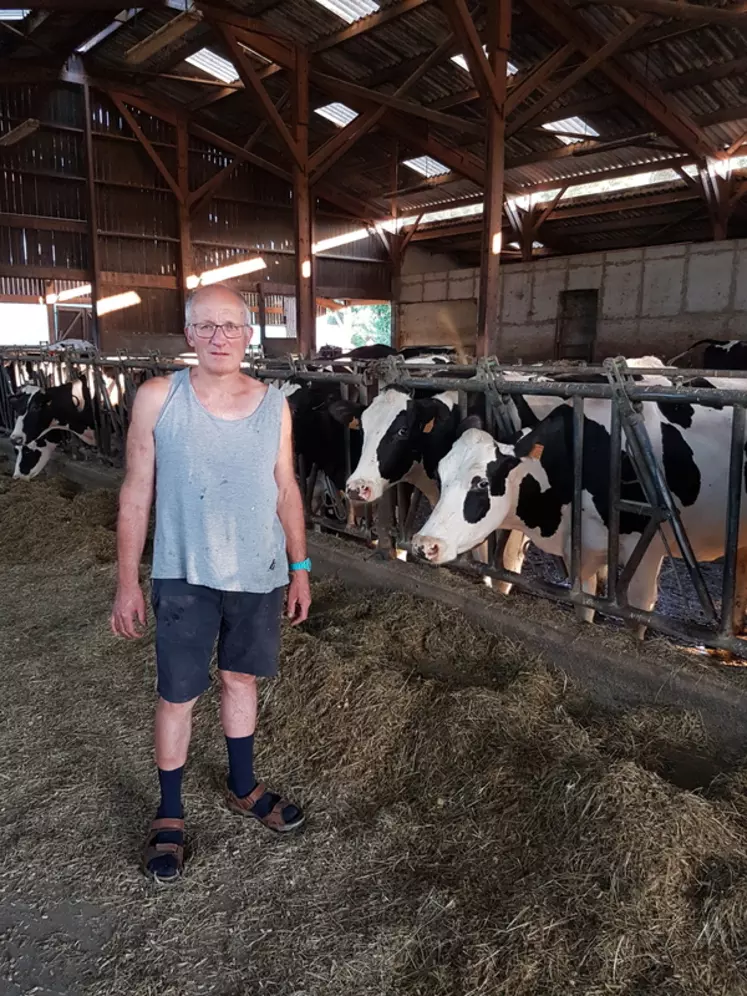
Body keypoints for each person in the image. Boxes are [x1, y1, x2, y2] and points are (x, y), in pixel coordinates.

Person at [110, 284, 311, 883]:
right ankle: (169, 813)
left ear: (250, 335)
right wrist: (128, 581)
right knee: (178, 693)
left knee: (239, 676)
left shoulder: (276, 403)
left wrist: (299, 566)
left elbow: (286, 488)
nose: (220, 337)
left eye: (232, 326)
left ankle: (243, 786)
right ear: (189, 333)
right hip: (184, 573)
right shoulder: (157, 397)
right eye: (208, 327)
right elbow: (135, 491)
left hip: (258, 573)